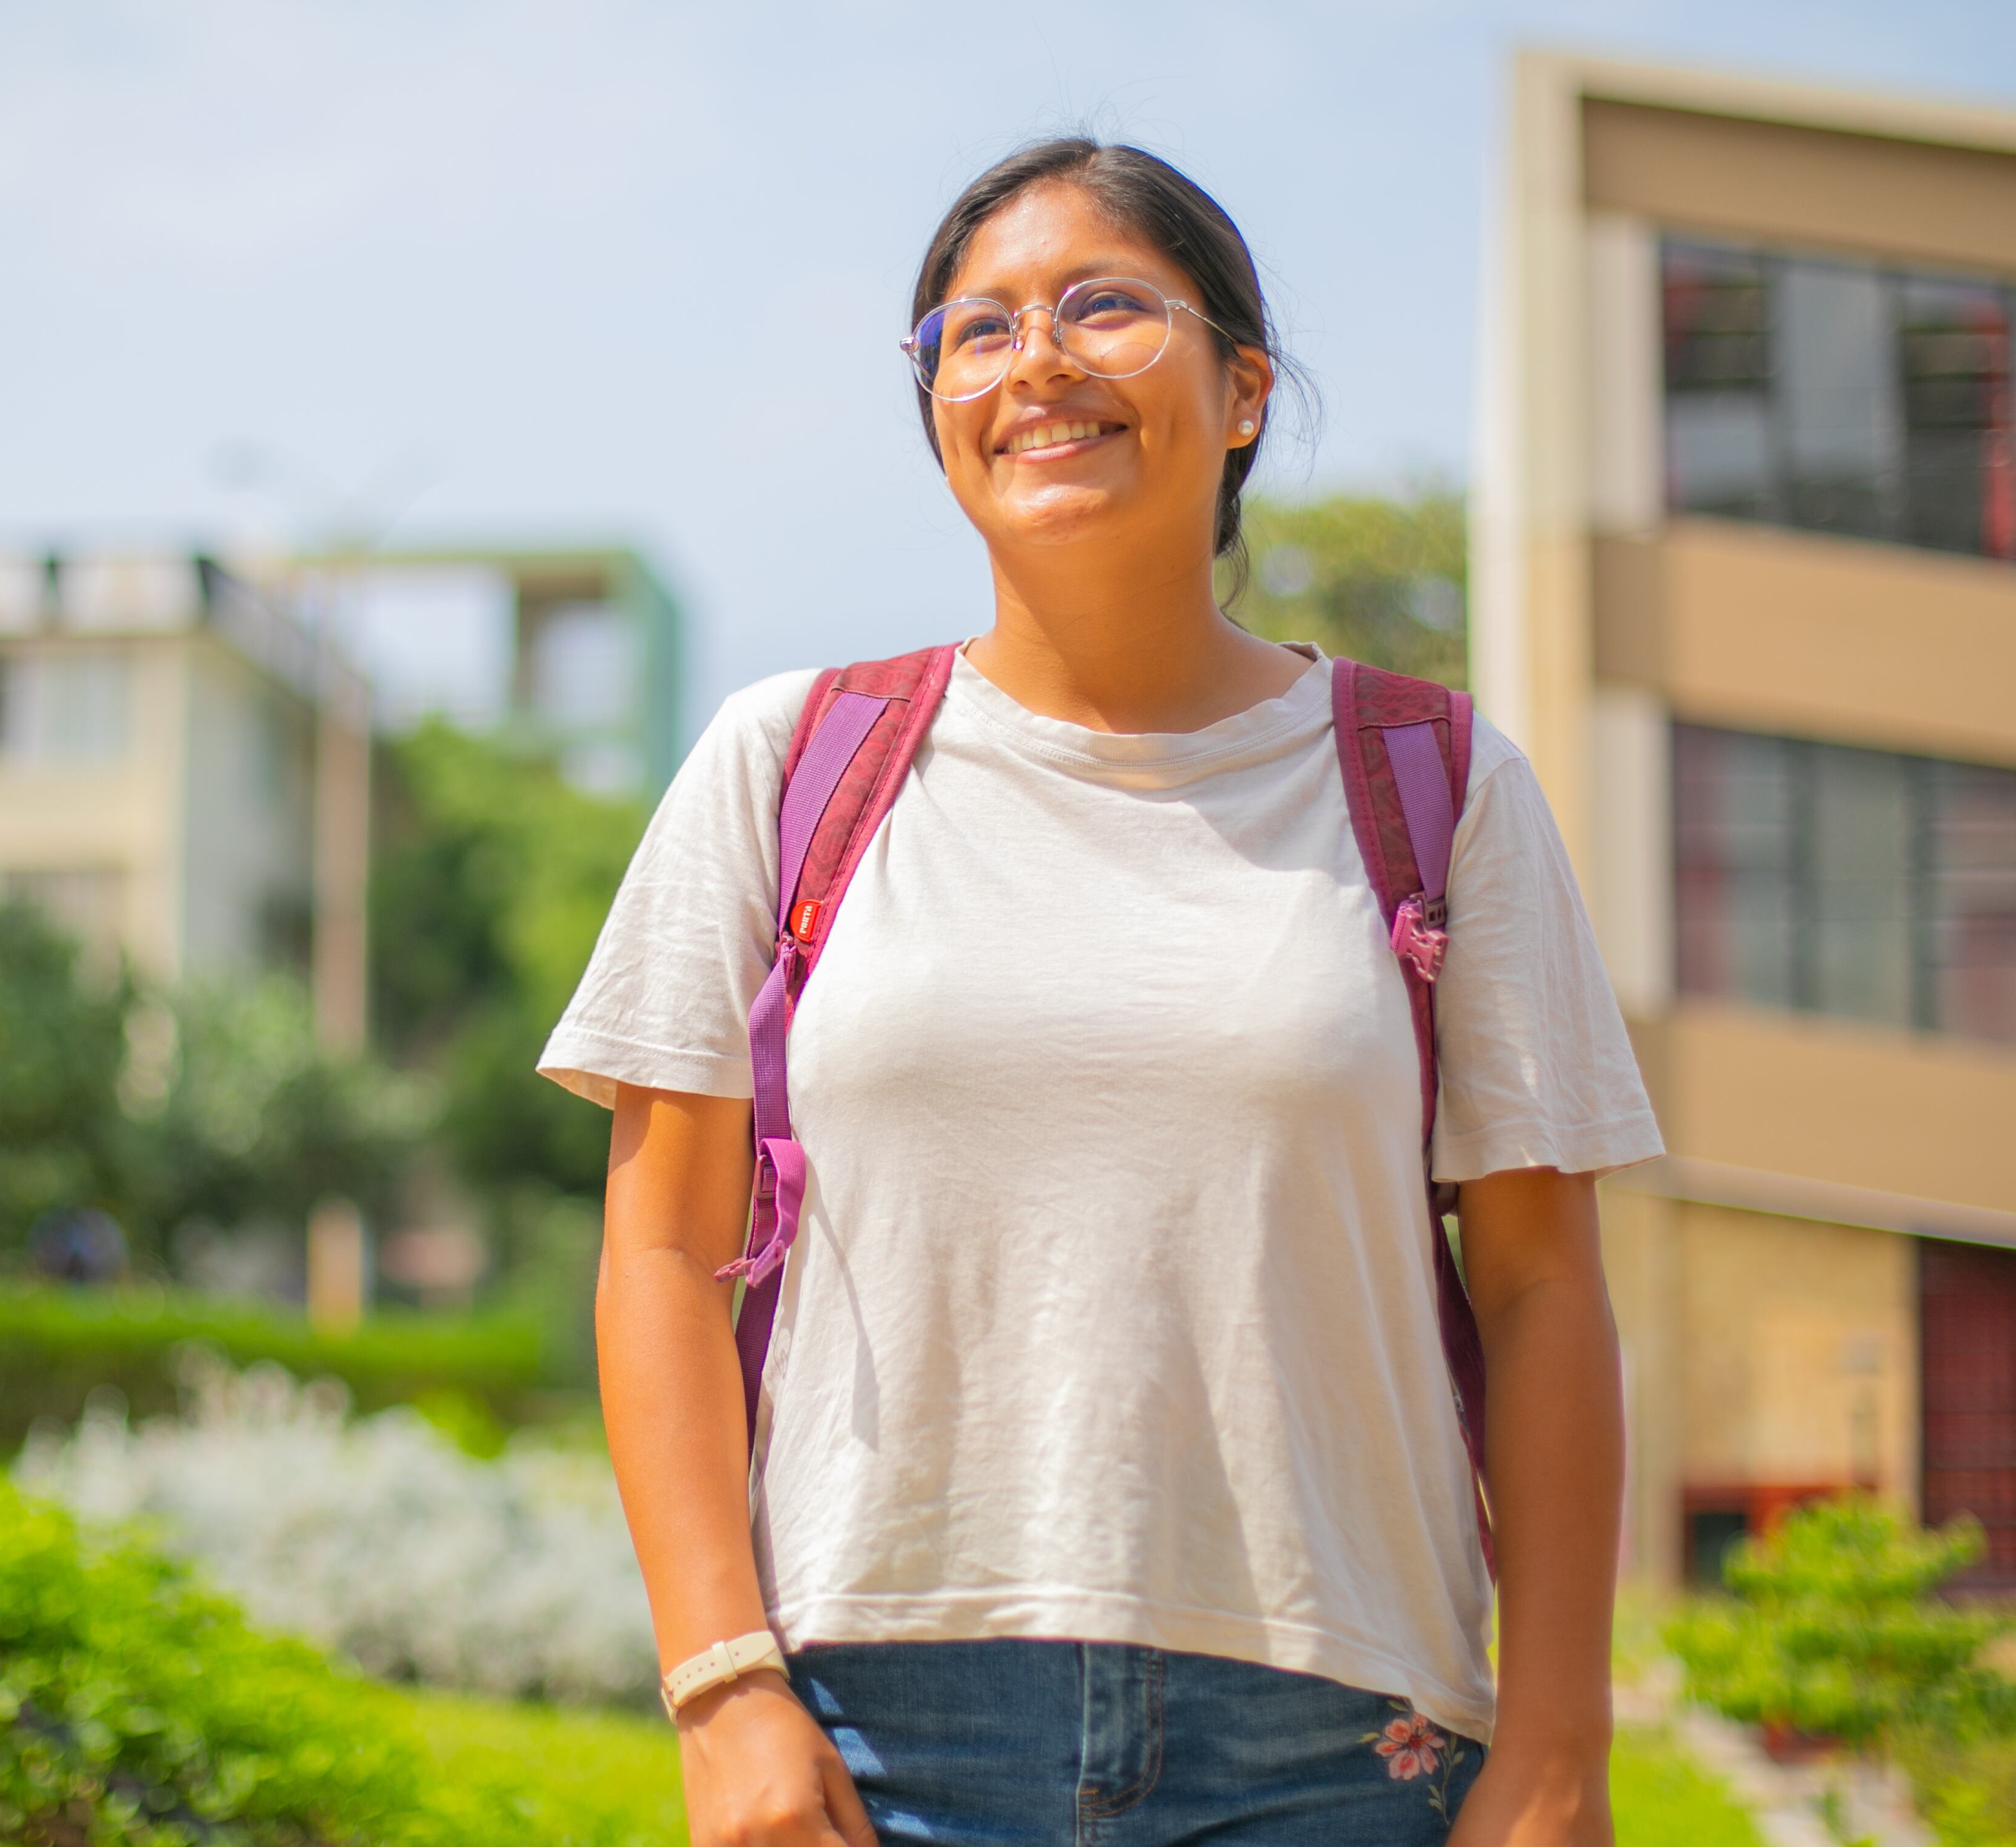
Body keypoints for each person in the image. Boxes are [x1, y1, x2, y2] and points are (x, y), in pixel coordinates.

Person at [544, 139, 1660, 1847]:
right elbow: (657, 1254)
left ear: (1243, 391)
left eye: (1104, 305)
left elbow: (1539, 1292)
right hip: (878, 1732)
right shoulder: (786, 763)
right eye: (975, 330)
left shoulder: (1437, 779)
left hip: (1337, 1739)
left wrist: (1562, 1749)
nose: (1036, 361)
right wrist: (722, 1688)